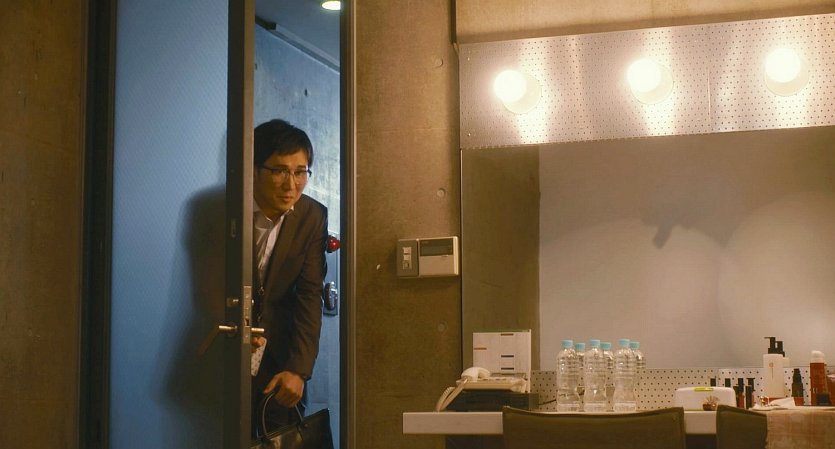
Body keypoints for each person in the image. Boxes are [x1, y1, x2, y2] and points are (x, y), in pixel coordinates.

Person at [250, 119, 328, 435]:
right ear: (254, 169)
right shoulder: (226, 208)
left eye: (300, 172)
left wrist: (298, 370)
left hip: (279, 359)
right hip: (224, 350)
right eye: (280, 171)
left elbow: (310, 295)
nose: (291, 184)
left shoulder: (312, 216)